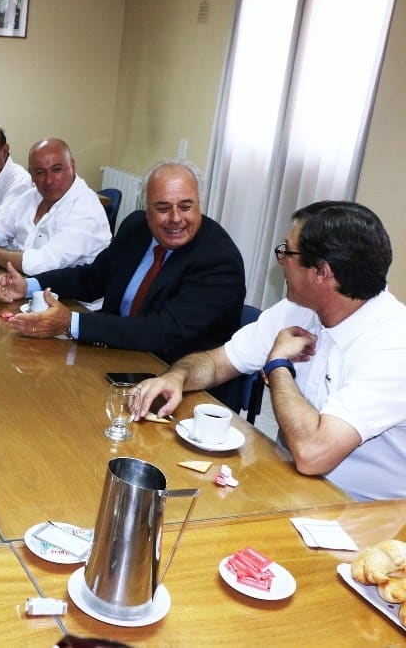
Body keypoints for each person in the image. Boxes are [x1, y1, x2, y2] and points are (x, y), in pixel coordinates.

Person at [135, 201, 406, 501]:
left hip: (366, 516)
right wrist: (178, 377)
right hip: (290, 485)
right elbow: (216, 362)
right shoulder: (298, 309)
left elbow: (312, 453)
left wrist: (277, 365)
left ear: (321, 272)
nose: (280, 260)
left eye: (288, 252)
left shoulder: (394, 344)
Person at [0, 159, 246, 405]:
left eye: (186, 206)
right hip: (115, 360)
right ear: (146, 208)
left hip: (180, 386)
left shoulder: (219, 260)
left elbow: (162, 332)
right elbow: (93, 278)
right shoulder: (137, 227)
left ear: (199, 204)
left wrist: (70, 323)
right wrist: (29, 285)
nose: (176, 218)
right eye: (162, 207)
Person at [0, 139, 110, 275]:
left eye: (56, 170)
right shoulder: (31, 196)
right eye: (40, 172)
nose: (49, 180)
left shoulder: (86, 209)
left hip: (72, 301)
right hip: (23, 286)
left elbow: (43, 264)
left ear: (73, 166)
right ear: (32, 175)